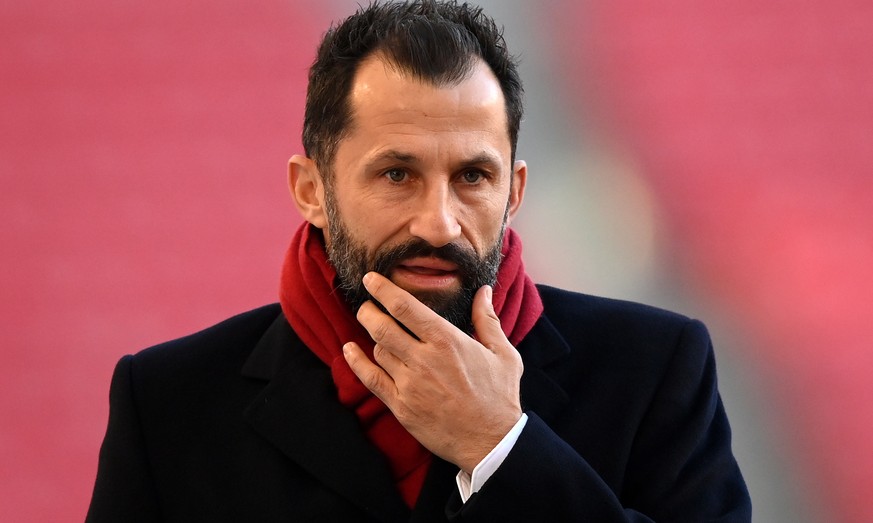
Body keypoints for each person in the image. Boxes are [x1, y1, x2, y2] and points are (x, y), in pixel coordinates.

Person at [86, 1, 752, 521]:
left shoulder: (656, 368)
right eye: (397, 174)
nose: (438, 220)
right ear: (311, 190)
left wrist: (500, 447)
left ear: (513, 191)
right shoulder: (170, 401)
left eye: (471, 175)